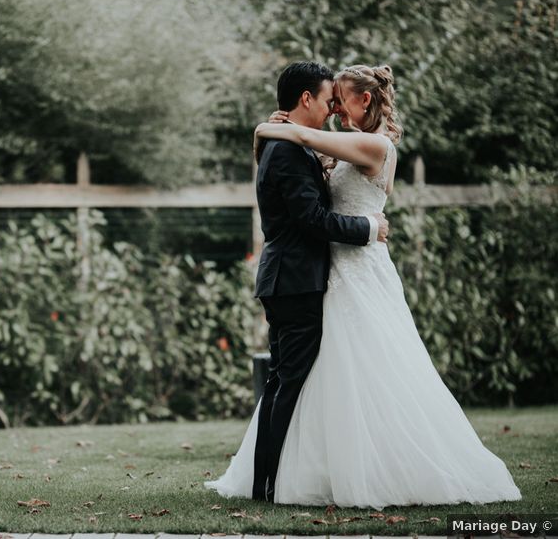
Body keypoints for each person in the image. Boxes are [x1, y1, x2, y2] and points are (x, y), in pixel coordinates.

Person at [203, 62, 522, 509]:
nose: (334, 107)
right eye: (329, 99)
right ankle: (275, 480)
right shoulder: (311, 146)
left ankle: (306, 475)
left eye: (341, 99)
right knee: (301, 379)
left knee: (354, 370)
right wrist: (266, 132)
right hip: (316, 273)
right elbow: (311, 204)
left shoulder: (371, 145)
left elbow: (309, 144)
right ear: (308, 99)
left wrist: (267, 130)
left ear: (365, 99)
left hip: (348, 271)